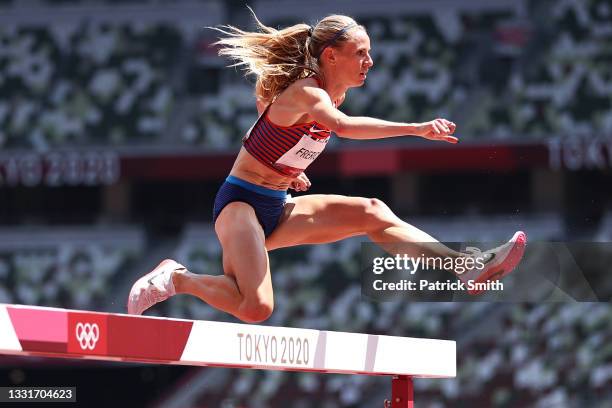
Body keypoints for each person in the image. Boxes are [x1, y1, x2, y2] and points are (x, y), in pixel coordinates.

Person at [127, 13, 526, 322]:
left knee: (372, 212)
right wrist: (416, 128)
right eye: (361, 53)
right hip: (240, 206)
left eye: (370, 52)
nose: (370, 61)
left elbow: (266, 113)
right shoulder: (309, 92)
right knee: (257, 308)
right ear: (331, 57)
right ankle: (177, 277)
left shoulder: (317, 97)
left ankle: (465, 267)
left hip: (276, 204)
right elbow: (343, 128)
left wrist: (285, 167)